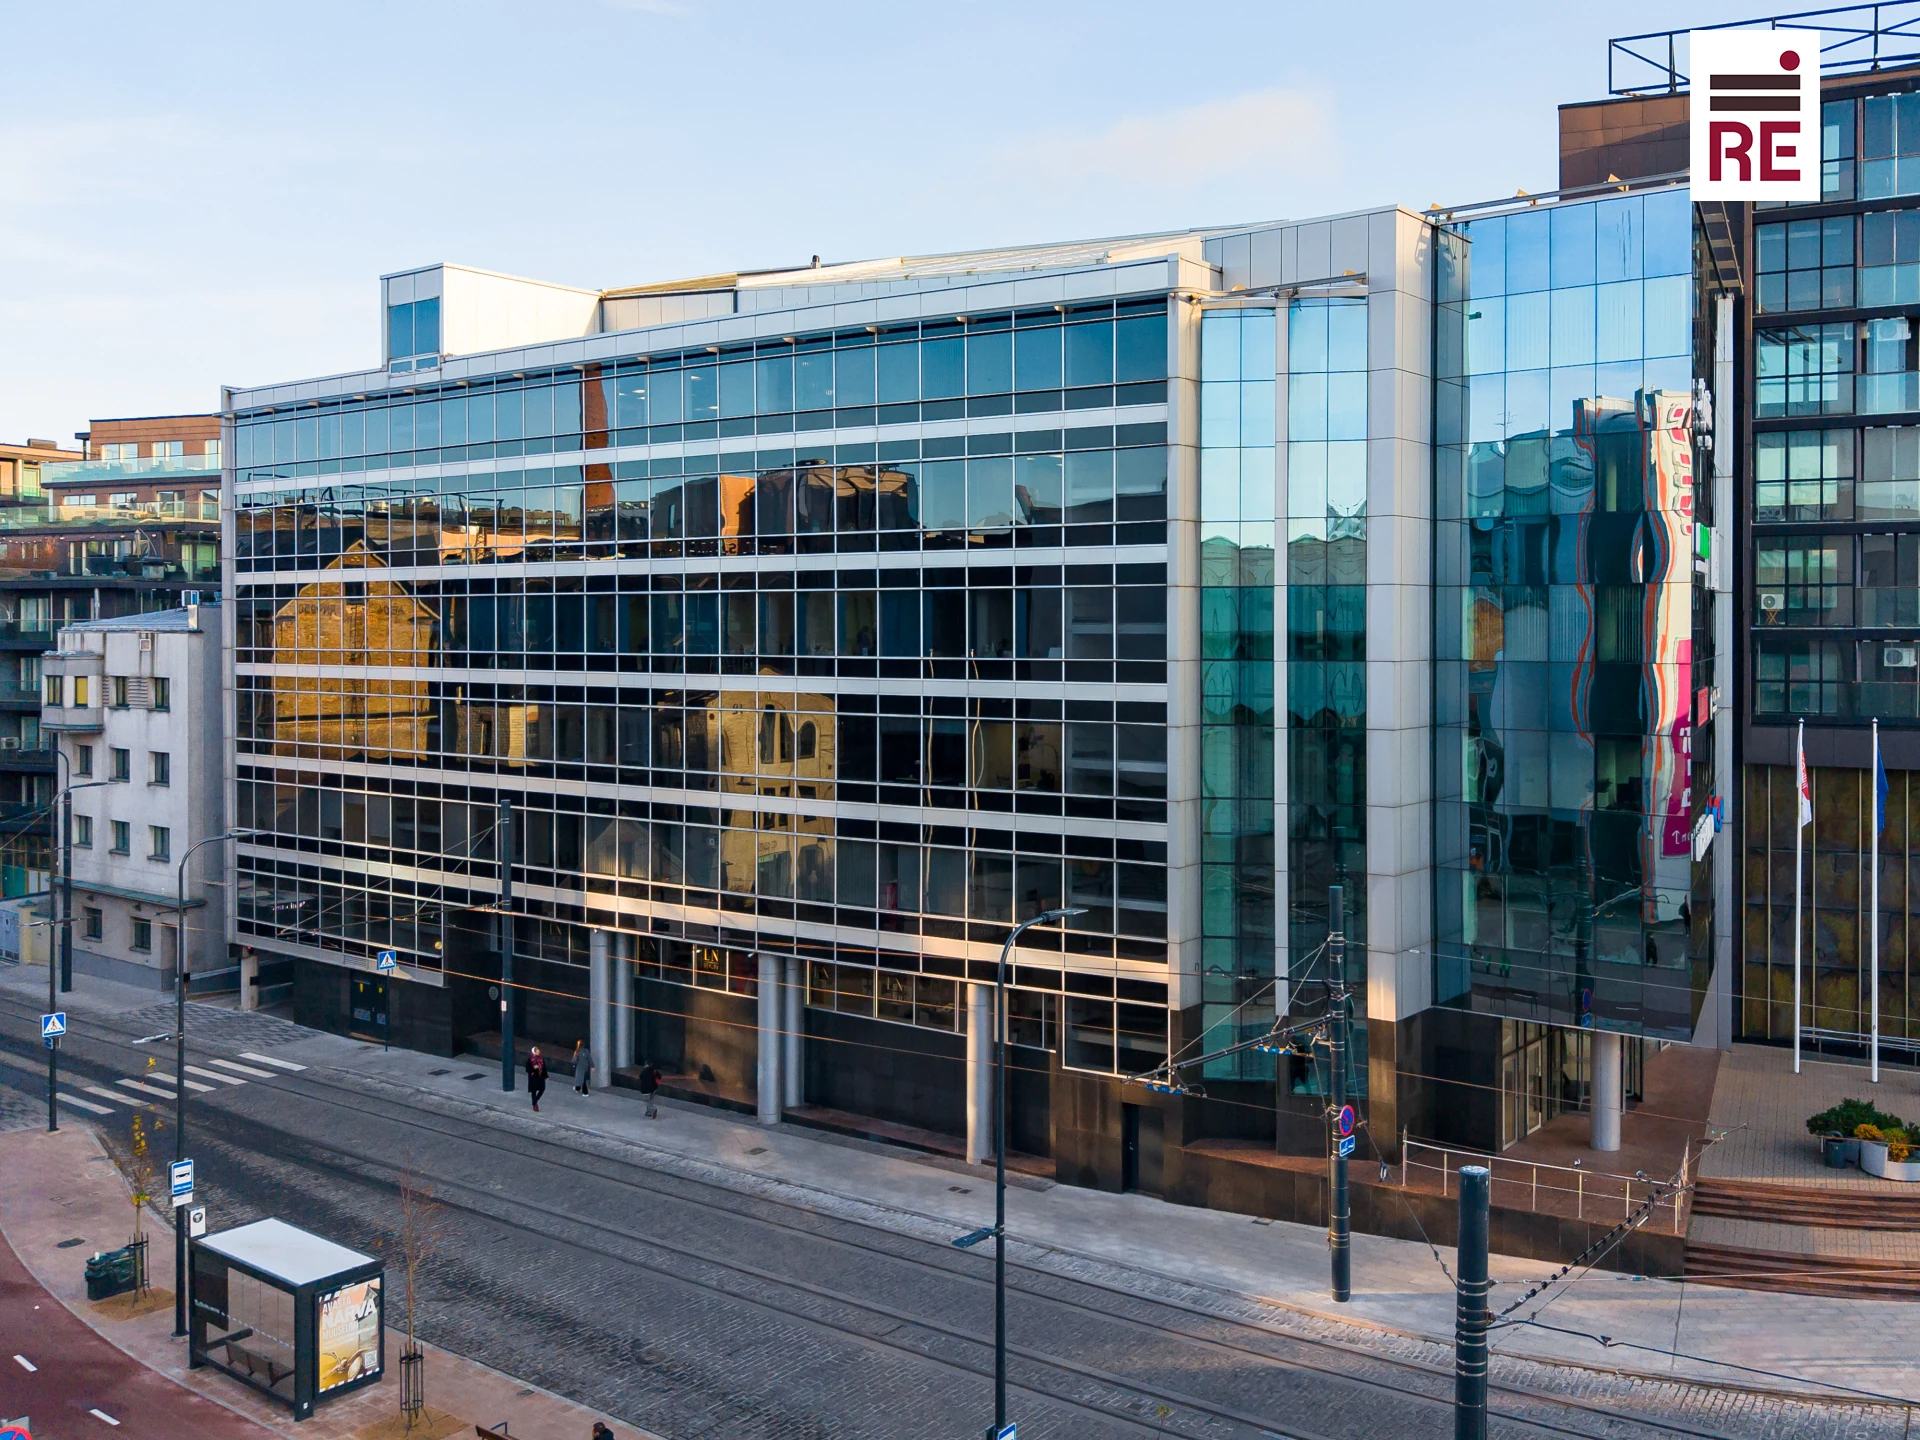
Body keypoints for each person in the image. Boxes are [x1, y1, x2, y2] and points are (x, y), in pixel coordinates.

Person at [526, 1046, 547, 1112]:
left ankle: (535, 1101)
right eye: (536, 1052)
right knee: (534, 1091)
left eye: (538, 1051)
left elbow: (544, 1068)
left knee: (542, 1089)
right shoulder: (530, 1060)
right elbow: (527, 1069)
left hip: (540, 1077)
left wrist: (546, 1076)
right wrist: (533, 1068)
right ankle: (535, 1105)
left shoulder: (541, 1059)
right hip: (533, 1078)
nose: (538, 1053)